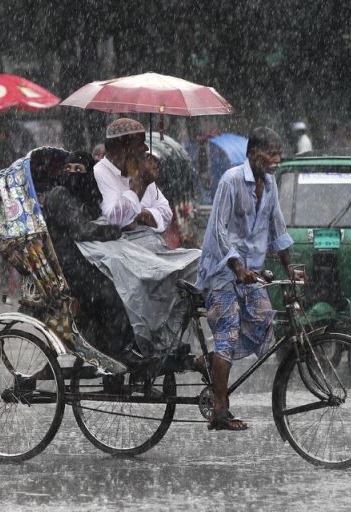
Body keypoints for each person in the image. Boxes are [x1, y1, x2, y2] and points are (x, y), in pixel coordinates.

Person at [195, 127, 299, 431]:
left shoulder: (270, 185)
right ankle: (219, 410)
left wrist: (289, 267)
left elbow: (277, 228)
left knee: (264, 318)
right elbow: (219, 230)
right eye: (271, 153)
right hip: (220, 272)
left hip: (249, 273)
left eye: (279, 153)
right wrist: (236, 266)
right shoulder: (231, 181)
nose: (277, 159)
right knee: (228, 331)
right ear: (254, 154)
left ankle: (213, 362)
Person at [42, 151, 135, 359]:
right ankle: (114, 354)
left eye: (79, 169)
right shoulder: (59, 195)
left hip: (85, 262)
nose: (73, 174)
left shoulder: (86, 197)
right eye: (69, 169)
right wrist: (112, 231)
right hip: (69, 266)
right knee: (112, 296)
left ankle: (110, 348)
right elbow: (81, 230)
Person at [93, 118, 173, 234]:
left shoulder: (139, 171)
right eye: (140, 143)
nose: (146, 148)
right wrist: (141, 184)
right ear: (121, 150)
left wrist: (138, 216)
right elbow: (114, 221)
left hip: (151, 245)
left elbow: (166, 214)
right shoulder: (98, 173)